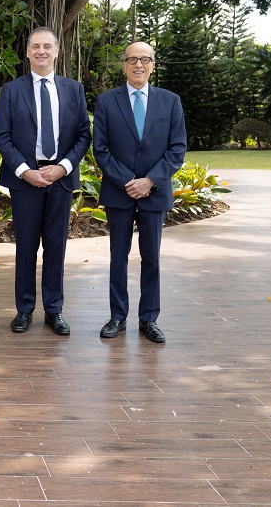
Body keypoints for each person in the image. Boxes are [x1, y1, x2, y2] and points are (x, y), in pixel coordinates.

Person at [0, 27, 91, 335]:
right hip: (26, 180)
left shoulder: (73, 89)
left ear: (56, 51)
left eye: (47, 46)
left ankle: (54, 310)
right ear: (27, 52)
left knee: (55, 247)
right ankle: (24, 310)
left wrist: (63, 167)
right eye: (35, 46)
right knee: (25, 247)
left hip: (60, 179)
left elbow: (83, 135)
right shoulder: (12, 90)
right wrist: (26, 171)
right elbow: (3, 137)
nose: (41, 51)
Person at [93, 41, 187, 343]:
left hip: (155, 192)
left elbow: (177, 148)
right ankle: (117, 317)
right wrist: (129, 180)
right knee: (118, 257)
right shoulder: (107, 101)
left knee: (152, 258)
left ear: (153, 66)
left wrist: (149, 181)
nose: (138, 65)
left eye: (145, 60)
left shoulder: (170, 101)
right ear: (124, 65)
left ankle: (149, 319)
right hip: (118, 192)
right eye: (132, 59)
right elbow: (101, 150)